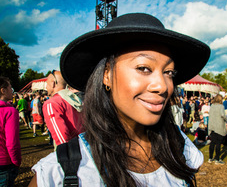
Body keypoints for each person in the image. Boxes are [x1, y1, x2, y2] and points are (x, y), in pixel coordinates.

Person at [29, 13, 210, 186]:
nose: (162, 86)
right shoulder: (61, 173)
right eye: (144, 68)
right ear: (106, 75)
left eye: (169, 72)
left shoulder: (181, 148)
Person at [42, 70, 84, 149]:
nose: (46, 87)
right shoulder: (75, 99)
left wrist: (67, 153)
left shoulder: (51, 103)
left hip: (70, 151)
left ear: (53, 83)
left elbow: (61, 135)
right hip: (83, 145)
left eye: (47, 84)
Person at [0, 77, 21, 186]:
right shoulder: (9, 111)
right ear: (3, 90)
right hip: (4, 162)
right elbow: (12, 143)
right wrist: (16, 161)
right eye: (10, 88)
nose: (12, 91)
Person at [208, 94, 227, 165]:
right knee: (218, 143)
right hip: (219, 126)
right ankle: (217, 159)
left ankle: (210, 158)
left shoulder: (212, 106)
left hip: (212, 126)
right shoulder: (221, 106)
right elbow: (223, 115)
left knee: (212, 143)